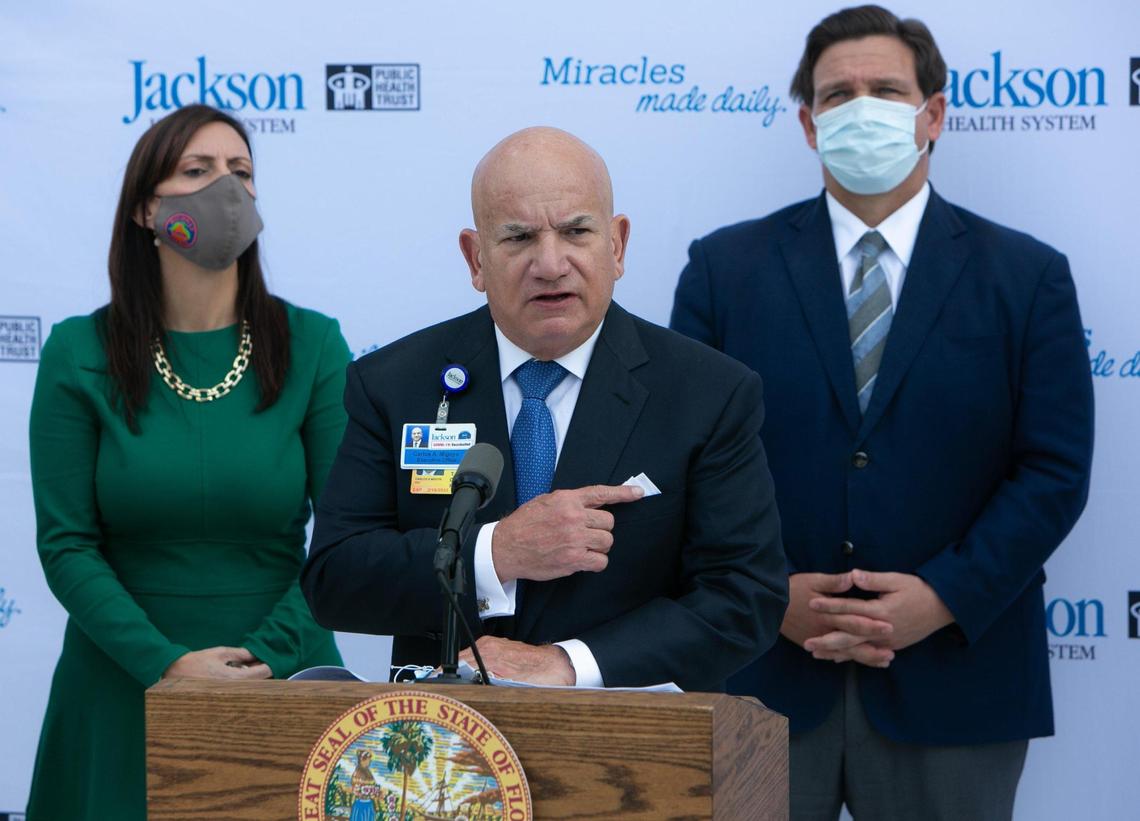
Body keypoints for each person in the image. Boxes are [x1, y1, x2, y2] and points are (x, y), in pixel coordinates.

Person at [670, 6, 1094, 819]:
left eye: (885, 89)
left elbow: (1054, 470)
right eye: (838, 94)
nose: (860, 108)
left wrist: (941, 596)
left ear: (932, 114)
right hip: (760, 678)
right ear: (807, 123)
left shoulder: (1028, 276)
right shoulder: (723, 269)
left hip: (958, 687)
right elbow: (689, 460)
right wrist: (769, 594)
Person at [302, 127, 787, 690]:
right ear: (475, 257)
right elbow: (335, 580)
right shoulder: (393, 383)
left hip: (634, 744)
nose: (550, 263)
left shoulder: (708, 392)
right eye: (518, 238)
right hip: (443, 750)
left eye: (576, 231)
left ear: (618, 244)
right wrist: (495, 552)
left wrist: (569, 664)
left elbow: (744, 597)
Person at [27, 104, 351, 819]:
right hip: (120, 682)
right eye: (197, 171)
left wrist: (262, 655)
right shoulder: (78, 352)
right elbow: (66, 544)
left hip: (284, 673)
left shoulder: (314, 345)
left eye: (241, 171)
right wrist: (167, 665)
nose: (226, 189)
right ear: (148, 208)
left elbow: (346, 535)